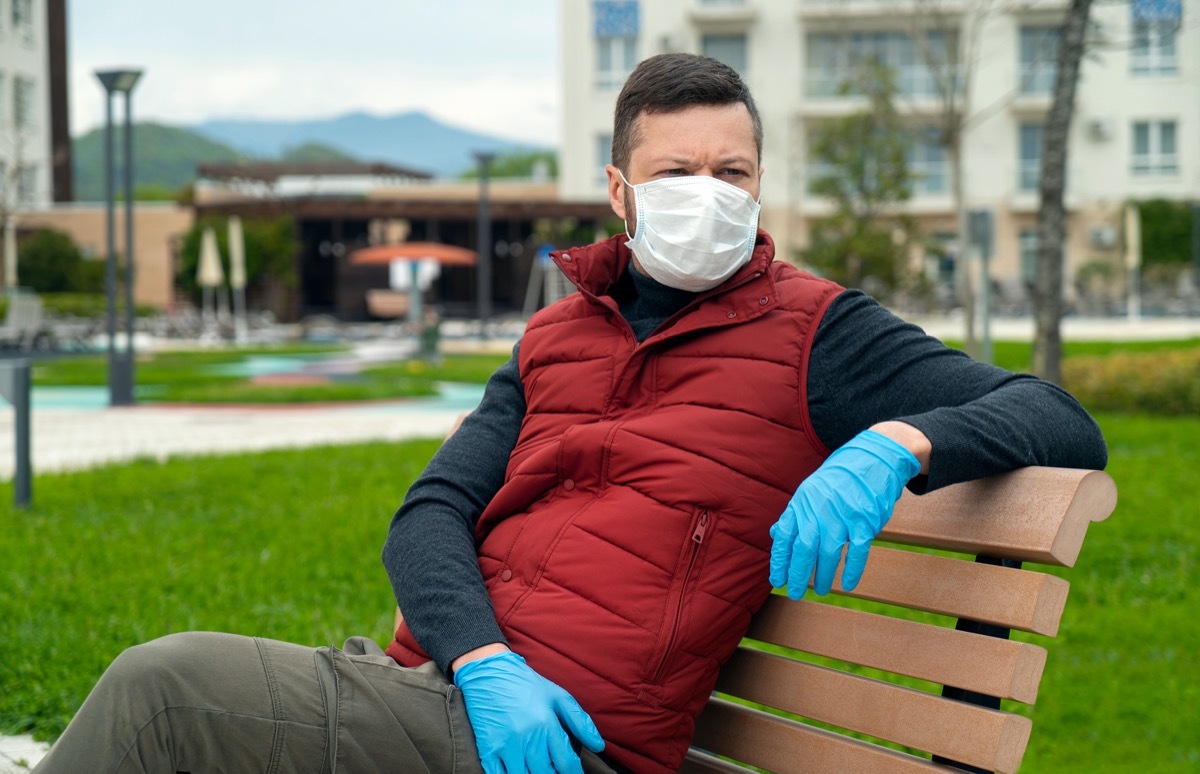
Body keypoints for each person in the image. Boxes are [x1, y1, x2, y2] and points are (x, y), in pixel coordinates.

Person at [35, 53, 1107, 774]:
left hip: (569, 749)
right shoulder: (558, 334)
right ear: (619, 191)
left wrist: (900, 441)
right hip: (454, 695)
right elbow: (429, 516)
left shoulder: (820, 333)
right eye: (676, 171)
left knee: (162, 692)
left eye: (732, 172)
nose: (709, 192)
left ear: (760, 185)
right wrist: (483, 662)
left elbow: (1058, 417)